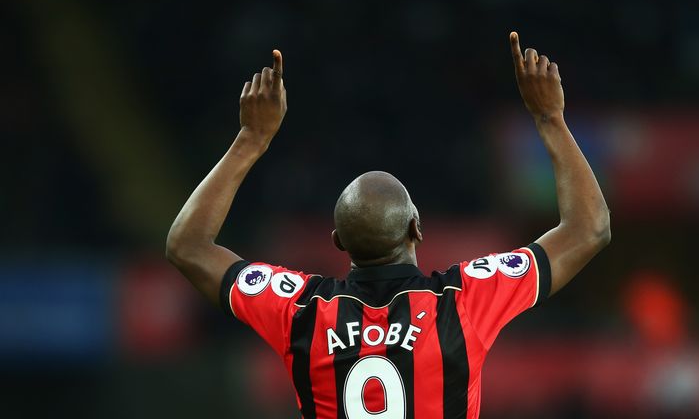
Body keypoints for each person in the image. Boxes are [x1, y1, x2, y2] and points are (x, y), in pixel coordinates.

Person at [166, 31, 610, 419]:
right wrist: (550, 118)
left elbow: (187, 245)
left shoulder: (300, 310)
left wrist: (251, 139)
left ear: (337, 241)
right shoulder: (462, 302)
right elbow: (589, 228)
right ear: (416, 227)